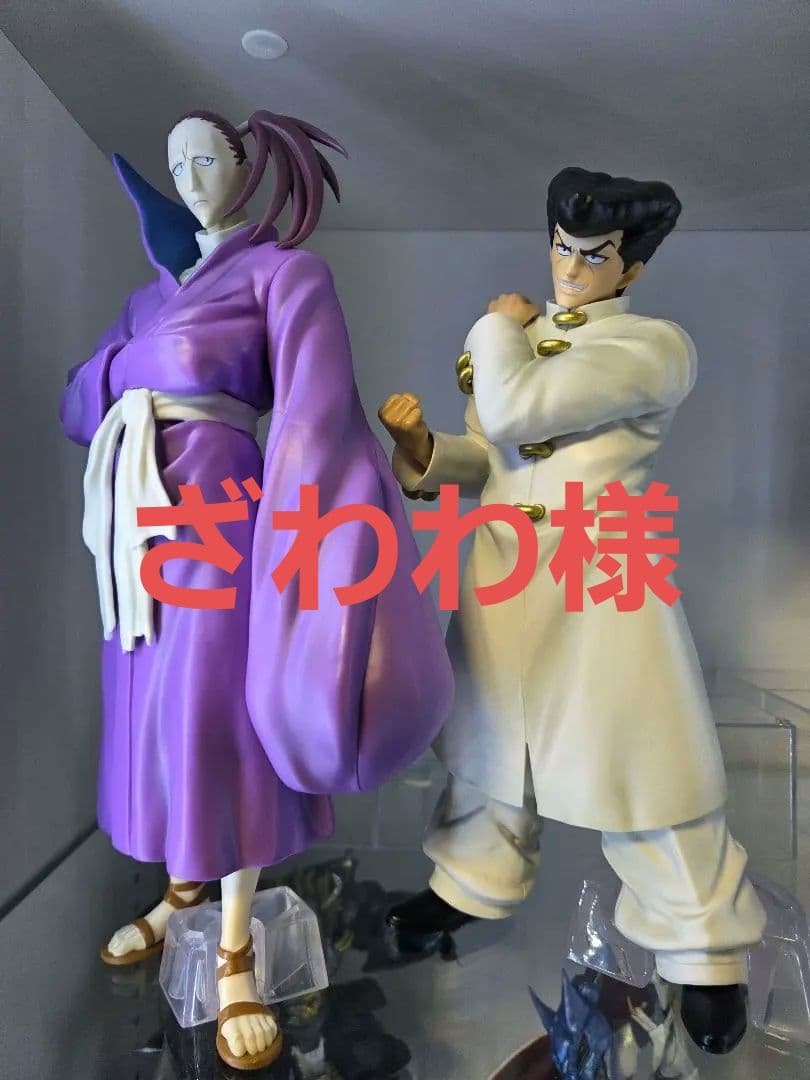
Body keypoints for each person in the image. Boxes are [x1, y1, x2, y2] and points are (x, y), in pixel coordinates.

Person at [61, 107, 451, 1071]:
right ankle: (180, 890)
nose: (190, 177)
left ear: (248, 169)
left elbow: (316, 410)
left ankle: (234, 948)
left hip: (226, 516)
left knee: (220, 714)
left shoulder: (286, 274)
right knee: (149, 706)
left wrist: (311, 533)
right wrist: (133, 369)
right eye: (176, 163)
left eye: (207, 159)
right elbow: (77, 400)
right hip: (137, 522)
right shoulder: (146, 297)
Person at [378, 167, 765, 1055]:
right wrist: (425, 451)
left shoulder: (652, 347)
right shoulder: (529, 339)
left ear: (632, 268)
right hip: (506, 576)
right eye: (560, 247)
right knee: (488, 754)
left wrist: (494, 325)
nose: (569, 267)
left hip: (600, 577)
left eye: (593, 255)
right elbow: (493, 452)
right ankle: (469, 886)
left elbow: (519, 409)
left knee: (646, 769)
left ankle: (704, 950)